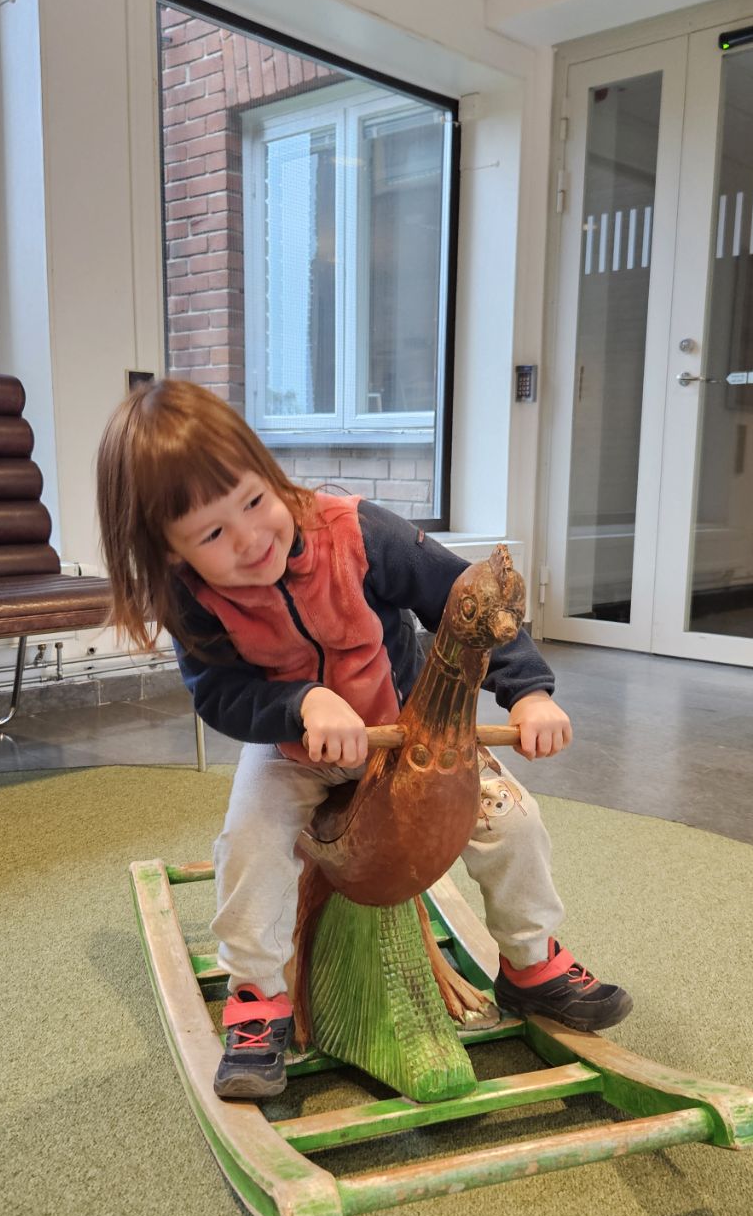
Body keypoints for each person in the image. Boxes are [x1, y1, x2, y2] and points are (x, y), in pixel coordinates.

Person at [97, 378, 632, 1100]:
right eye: (212, 535)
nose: (250, 539)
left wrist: (529, 690)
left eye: (254, 502)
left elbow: (464, 597)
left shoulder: (356, 533)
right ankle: (257, 996)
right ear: (168, 553)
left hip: (410, 730)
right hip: (295, 751)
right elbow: (219, 695)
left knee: (514, 821)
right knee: (249, 842)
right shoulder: (192, 599)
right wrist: (301, 704)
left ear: (270, 473)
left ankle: (530, 960)